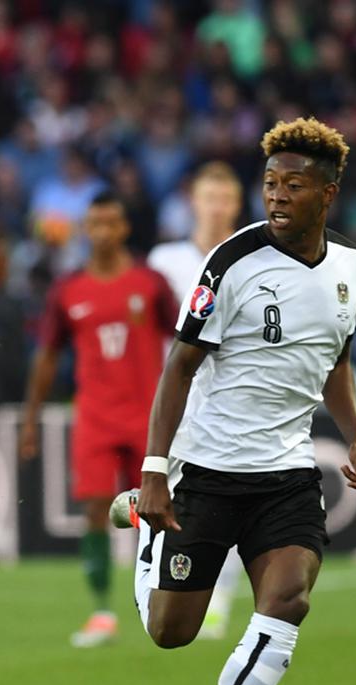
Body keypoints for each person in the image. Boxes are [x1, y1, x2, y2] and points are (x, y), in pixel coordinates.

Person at [113, 117, 356, 685]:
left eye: (294, 185)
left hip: (287, 473)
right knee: (171, 632)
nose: (278, 196)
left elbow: (335, 357)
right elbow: (179, 366)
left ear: (328, 194)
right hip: (206, 470)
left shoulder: (351, 269)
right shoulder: (232, 261)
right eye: (270, 183)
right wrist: (156, 472)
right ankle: (144, 522)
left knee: (290, 601)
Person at [19, 192, 178, 647]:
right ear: (85, 230)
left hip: (148, 415)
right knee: (94, 509)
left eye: (112, 222)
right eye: (95, 223)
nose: (104, 231)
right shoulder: (68, 289)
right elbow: (47, 357)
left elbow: (186, 345)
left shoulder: (150, 282)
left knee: (157, 511)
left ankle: (159, 600)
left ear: (125, 228)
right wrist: (31, 419)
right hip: (95, 416)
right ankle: (103, 611)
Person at [147, 160, 247, 640]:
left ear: (236, 204)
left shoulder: (247, 254)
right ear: (194, 201)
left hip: (230, 398)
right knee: (162, 493)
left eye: (225, 199)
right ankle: (157, 583)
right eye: (209, 198)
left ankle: (217, 599)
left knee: (224, 499)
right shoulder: (164, 261)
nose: (216, 207)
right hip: (175, 396)